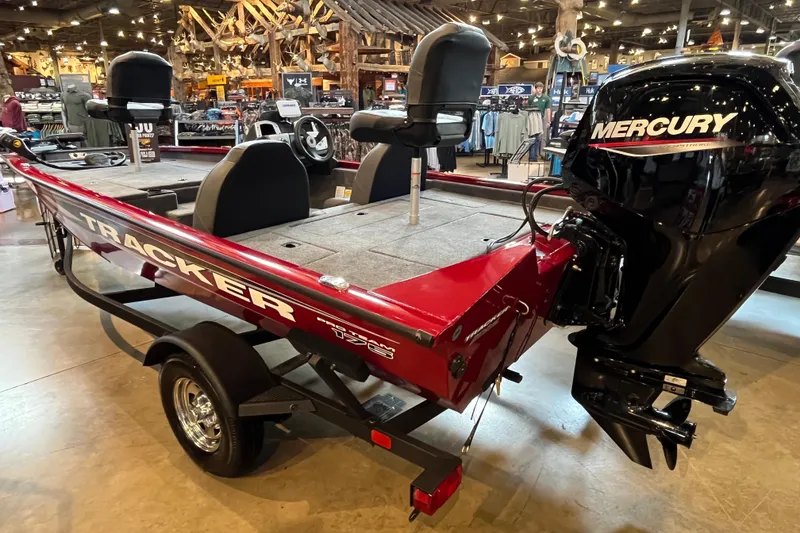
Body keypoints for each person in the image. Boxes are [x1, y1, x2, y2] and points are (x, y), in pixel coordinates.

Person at [530, 82, 552, 160]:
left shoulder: (546, 98)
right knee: (532, 137)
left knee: (539, 138)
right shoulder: (531, 98)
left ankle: (537, 155)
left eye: (541, 88)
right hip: (532, 119)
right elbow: (528, 109)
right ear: (535, 89)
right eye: (538, 88)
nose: (539, 90)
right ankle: (532, 156)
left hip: (541, 118)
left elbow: (548, 110)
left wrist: (549, 121)